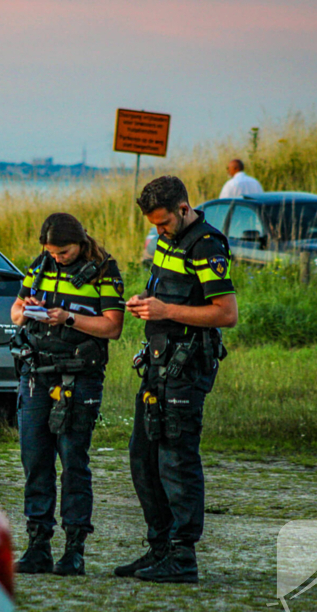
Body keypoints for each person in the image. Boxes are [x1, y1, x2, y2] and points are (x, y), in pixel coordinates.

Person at [119, 175, 238, 584]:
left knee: (176, 460)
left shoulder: (207, 244)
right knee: (143, 457)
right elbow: (168, 295)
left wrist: (165, 311)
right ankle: (159, 549)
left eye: (164, 222)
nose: (159, 231)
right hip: (157, 363)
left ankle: (183, 558)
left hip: (187, 368)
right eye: (153, 225)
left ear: (184, 209)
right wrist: (145, 305)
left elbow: (226, 314)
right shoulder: (168, 240)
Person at [10, 213, 125, 577]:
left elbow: (113, 326)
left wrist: (68, 318)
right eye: (52, 251)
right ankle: (37, 545)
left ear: (79, 241)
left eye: (64, 251)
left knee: (73, 461)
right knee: (35, 459)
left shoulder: (104, 269)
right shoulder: (40, 265)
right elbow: (16, 308)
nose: (58, 257)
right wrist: (24, 313)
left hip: (79, 376)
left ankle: (74, 549)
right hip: (36, 372)